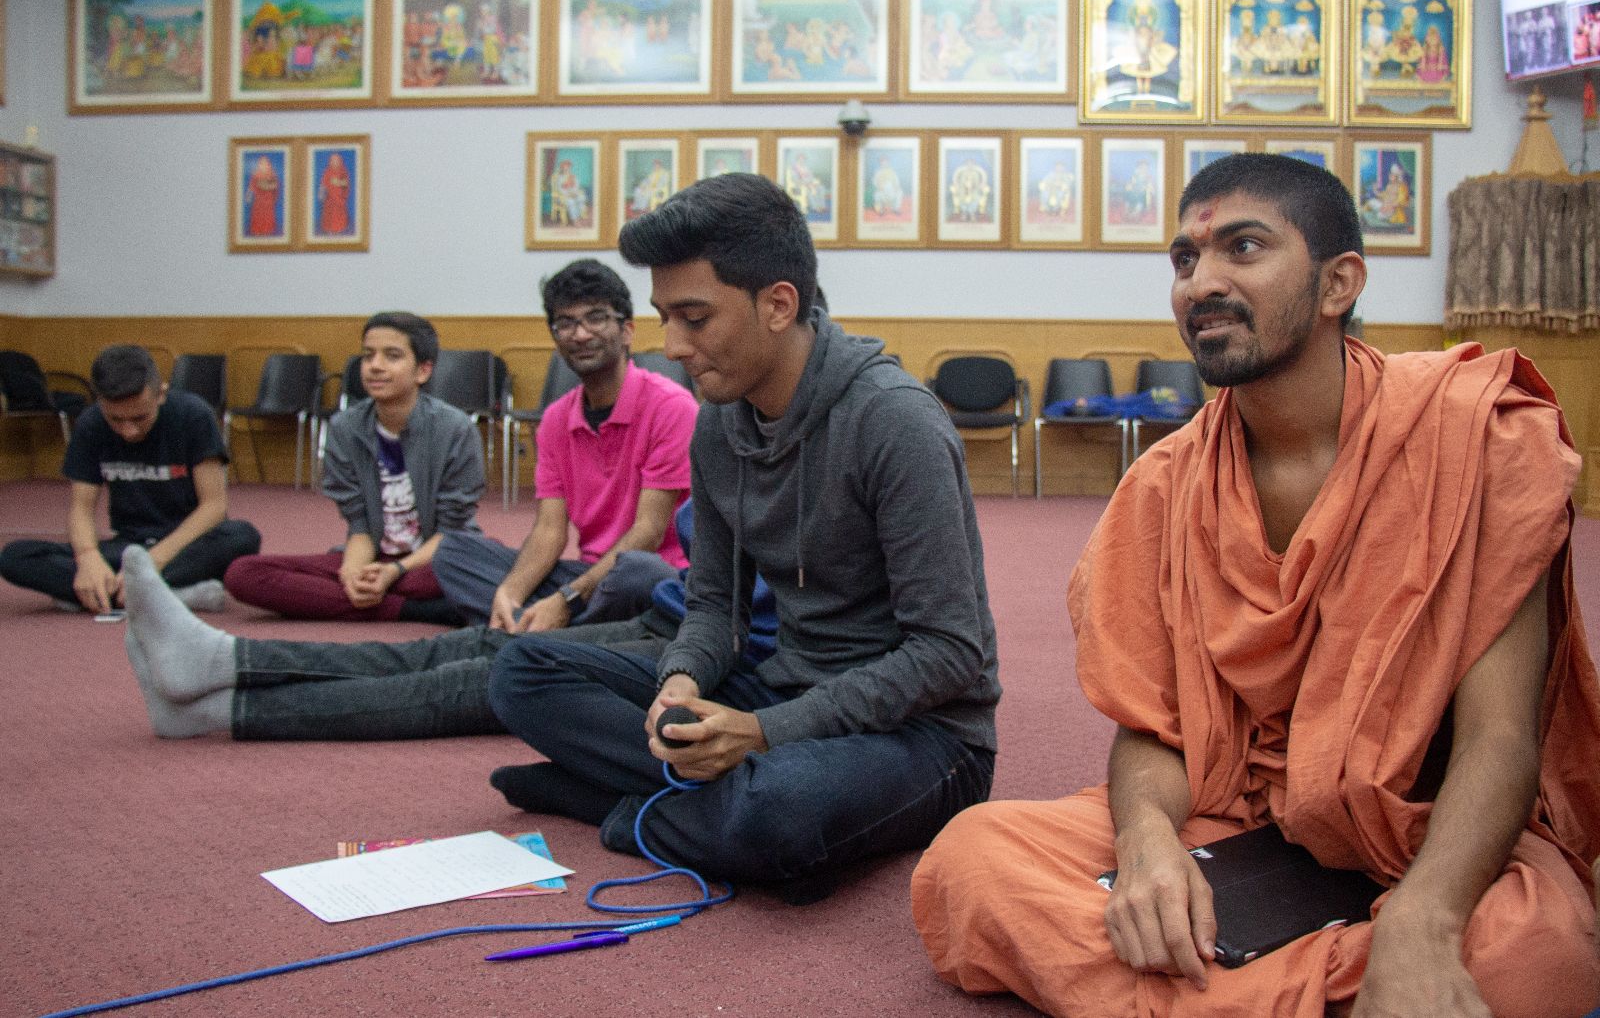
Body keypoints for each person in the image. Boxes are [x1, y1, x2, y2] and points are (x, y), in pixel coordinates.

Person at [911, 152, 1600, 1017]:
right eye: (1184, 259)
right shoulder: (1165, 485)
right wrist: (1150, 841)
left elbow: (1501, 742)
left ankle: (1284, 975)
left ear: (1337, 281)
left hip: (1421, 834)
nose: (1201, 282)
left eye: (1243, 247)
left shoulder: (1477, 439)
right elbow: (1153, 726)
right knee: (971, 860)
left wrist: (1425, 917)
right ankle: (1338, 981)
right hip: (1234, 823)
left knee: (1535, 955)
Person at [485, 172, 1001, 903]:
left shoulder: (895, 422)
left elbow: (950, 653)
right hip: (783, 684)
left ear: (778, 304)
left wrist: (764, 733)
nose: (672, 346)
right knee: (521, 671)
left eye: (695, 318)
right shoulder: (718, 425)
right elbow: (714, 609)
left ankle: (613, 804)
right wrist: (681, 682)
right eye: (665, 317)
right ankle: (689, 795)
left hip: (926, 737)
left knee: (776, 811)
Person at [120, 501, 777, 741]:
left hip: (716, 657)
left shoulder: (841, 463)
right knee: (454, 649)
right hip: (679, 618)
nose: (685, 348)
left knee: (458, 685)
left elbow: (681, 533)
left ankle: (214, 708)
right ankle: (221, 665)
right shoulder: (745, 438)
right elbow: (703, 541)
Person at [434, 259, 698, 634]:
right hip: (589, 575)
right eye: (566, 323)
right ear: (555, 337)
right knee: (454, 553)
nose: (580, 334)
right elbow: (549, 531)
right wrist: (511, 591)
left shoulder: (672, 407)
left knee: (638, 573)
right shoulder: (556, 419)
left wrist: (567, 600)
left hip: (652, 576)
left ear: (627, 331)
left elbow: (648, 533)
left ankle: (550, 632)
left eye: (595, 318)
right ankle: (564, 633)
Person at [222, 313, 481, 625]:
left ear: (423, 370)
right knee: (243, 574)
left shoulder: (455, 429)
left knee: (486, 567)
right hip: (373, 558)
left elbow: (451, 532)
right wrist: (352, 574)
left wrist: (395, 571)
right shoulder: (346, 428)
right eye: (368, 355)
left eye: (392, 356)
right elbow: (359, 528)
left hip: (434, 559)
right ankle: (414, 610)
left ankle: (354, 599)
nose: (375, 366)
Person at [0, 345, 260, 614]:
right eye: (116, 419)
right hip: (128, 548)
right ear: (100, 402)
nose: (128, 431)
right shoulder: (91, 424)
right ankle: (171, 594)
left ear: (160, 393)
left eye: (139, 417)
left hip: (185, 548)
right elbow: (81, 507)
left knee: (242, 536)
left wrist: (153, 562)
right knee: (15, 557)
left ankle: (102, 594)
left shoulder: (194, 415)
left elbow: (214, 508)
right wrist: (88, 558)